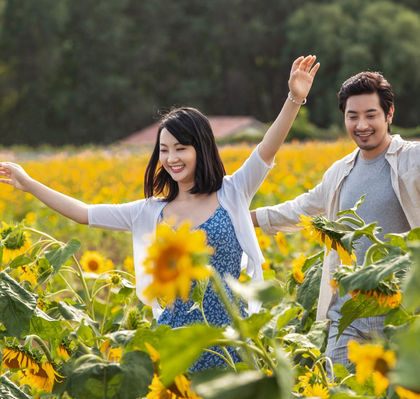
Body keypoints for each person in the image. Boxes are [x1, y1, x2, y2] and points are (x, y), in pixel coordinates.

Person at [0, 55, 319, 370]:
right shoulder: (150, 212)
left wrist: (294, 98)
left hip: (230, 345)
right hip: (174, 349)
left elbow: (268, 148)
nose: (171, 158)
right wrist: (29, 184)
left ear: (202, 148)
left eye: (181, 148)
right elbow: (85, 213)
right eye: (164, 150)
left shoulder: (233, 192)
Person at [252, 71, 420, 371]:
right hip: (348, 314)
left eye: (371, 115)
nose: (361, 125)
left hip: (402, 311)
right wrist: (246, 218)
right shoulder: (339, 172)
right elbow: (300, 209)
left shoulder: (412, 159)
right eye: (352, 116)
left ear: (389, 113)